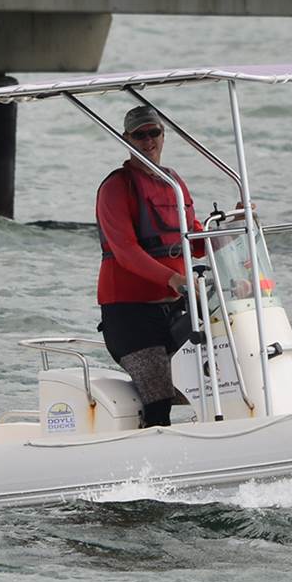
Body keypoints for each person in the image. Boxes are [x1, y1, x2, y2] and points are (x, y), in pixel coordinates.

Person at [95, 103, 204, 429]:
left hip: (175, 310)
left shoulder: (174, 183)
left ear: (163, 135)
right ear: (126, 139)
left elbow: (196, 240)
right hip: (130, 316)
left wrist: (235, 225)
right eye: (139, 135)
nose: (148, 140)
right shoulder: (116, 187)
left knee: (219, 372)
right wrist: (173, 278)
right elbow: (126, 252)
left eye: (153, 132)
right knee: (158, 398)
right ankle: (151, 448)